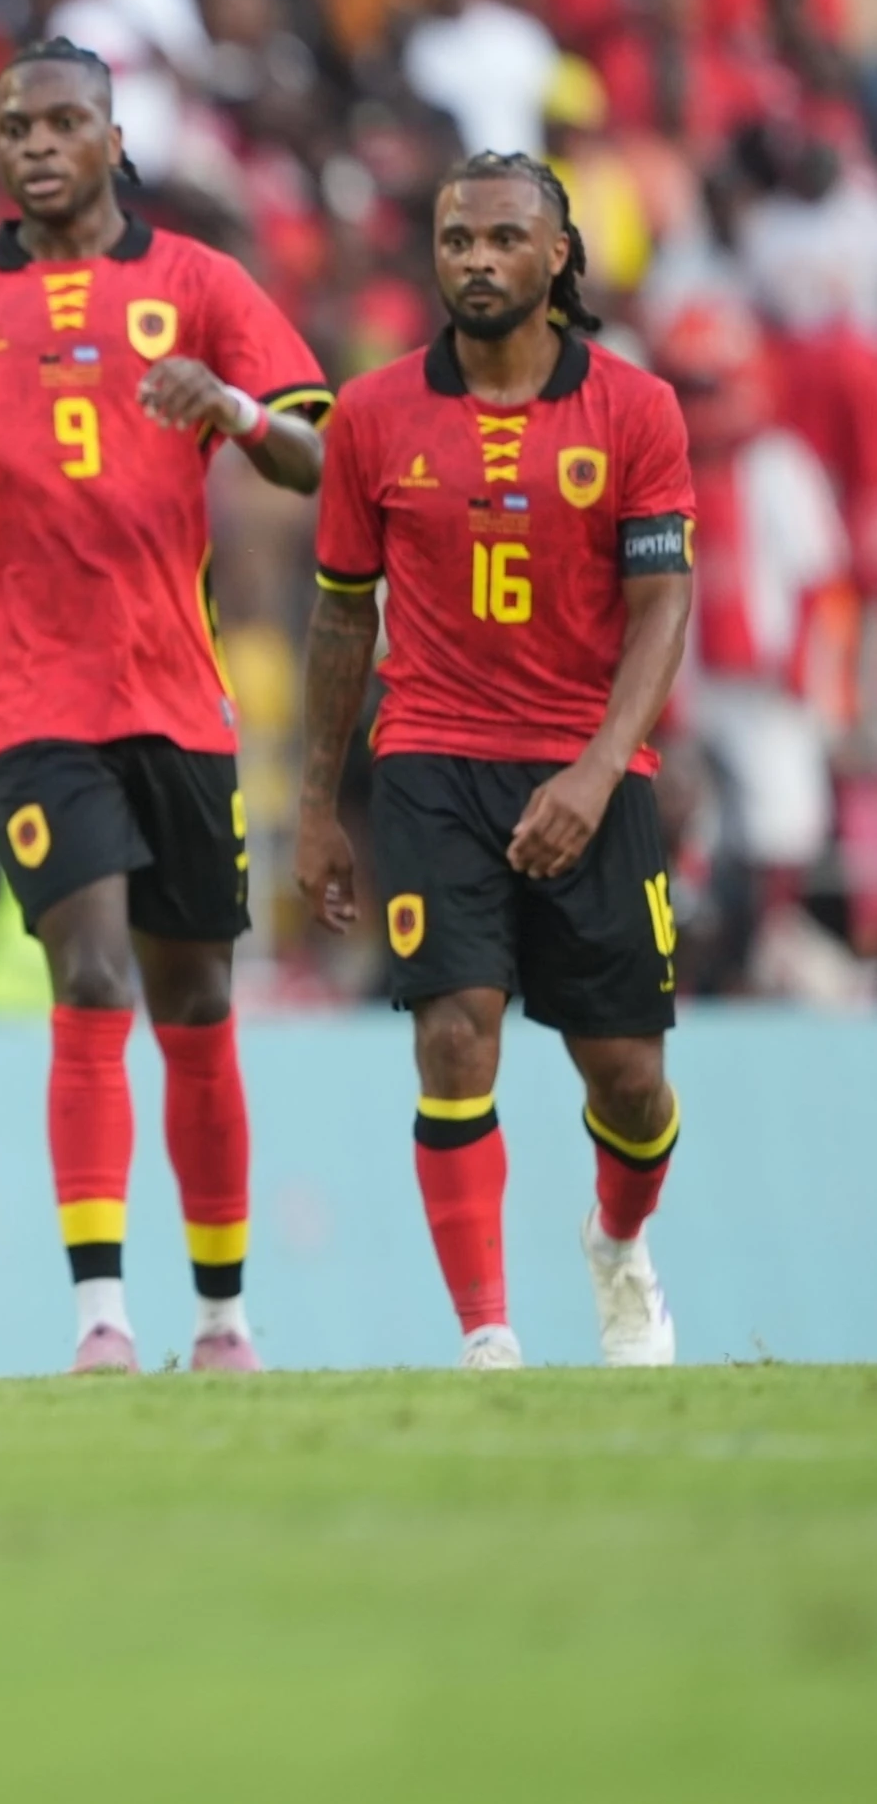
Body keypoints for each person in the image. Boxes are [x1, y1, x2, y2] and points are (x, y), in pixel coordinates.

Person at [0, 39, 331, 1375]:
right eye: (11, 126)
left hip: (178, 697)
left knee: (196, 1002)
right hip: (31, 699)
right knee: (86, 971)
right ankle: (100, 1311)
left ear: (110, 137)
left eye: (59, 122)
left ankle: (221, 1315)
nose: (31, 145)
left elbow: (320, 458)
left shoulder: (197, 285)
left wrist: (228, 407)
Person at [295, 153, 696, 1369]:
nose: (476, 260)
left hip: (590, 767)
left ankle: (618, 1249)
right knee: (452, 1035)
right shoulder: (370, 415)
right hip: (428, 762)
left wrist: (592, 771)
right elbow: (337, 616)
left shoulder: (633, 409)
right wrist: (316, 802)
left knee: (624, 1077)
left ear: (557, 255)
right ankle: (486, 1339)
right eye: (456, 239)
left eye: (504, 240)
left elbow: (660, 606)